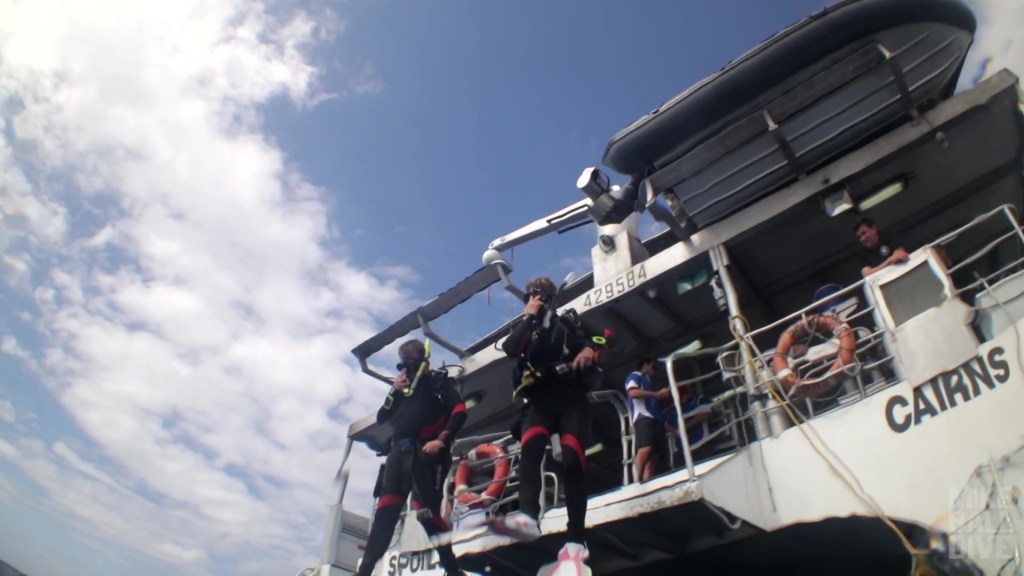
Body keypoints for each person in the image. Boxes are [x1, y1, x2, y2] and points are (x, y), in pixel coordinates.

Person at [495, 277, 602, 565]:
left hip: (570, 399)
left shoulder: (569, 324)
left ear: (553, 298)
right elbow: (510, 348)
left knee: (571, 460)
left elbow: (605, 335)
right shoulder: (524, 329)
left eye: (541, 294)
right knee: (530, 449)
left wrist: (590, 349)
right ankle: (529, 515)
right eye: (531, 295)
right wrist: (529, 318)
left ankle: (576, 538)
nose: (536, 298)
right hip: (539, 400)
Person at [356, 339, 467, 576]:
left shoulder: (438, 384)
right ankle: (364, 570)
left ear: (424, 361)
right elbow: (383, 417)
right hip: (399, 454)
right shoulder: (400, 391)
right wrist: (394, 390)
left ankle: (452, 569)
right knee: (386, 513)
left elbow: (459, 411)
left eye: (412, 362)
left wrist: (442, 440)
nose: (407, 368)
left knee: (427, 514)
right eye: (404, 363)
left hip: (426, 456)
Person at [625, 357, 670, 482]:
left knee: (654, 456)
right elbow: (633, 393)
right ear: (646, 364)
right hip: (643, 416)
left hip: (655, 419)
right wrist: (657, 395)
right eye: (654, 367)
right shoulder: (635, 375)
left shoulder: (648, 381)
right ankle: (637, 480)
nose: (655, 371)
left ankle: (646, 481)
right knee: (646, 448)